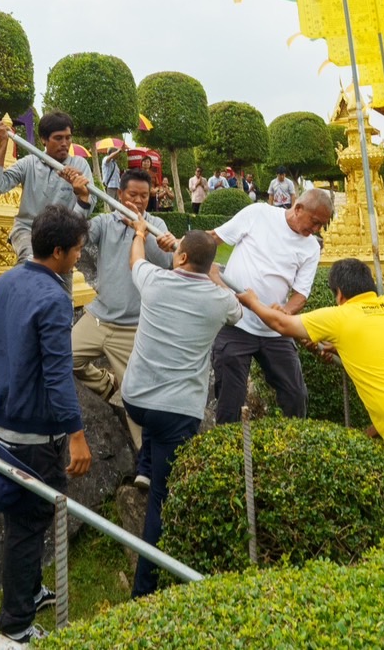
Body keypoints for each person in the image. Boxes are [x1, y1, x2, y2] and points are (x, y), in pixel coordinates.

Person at [237, 257, 384, 528]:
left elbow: (281, 325)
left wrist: (252, 302)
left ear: (339, 294)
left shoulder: (339, 317)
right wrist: (340, 346)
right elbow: (381, 340)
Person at [0, 205, 92, 644]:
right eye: (77, 250)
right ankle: (16, 624)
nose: (79, 257)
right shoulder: (54, 298)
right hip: (34, 433)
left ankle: (29, 588)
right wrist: (76, 435)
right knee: (30, 521)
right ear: (58, 251)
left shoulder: (4, 281)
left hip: (0, 420)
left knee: (23, 515)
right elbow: (59, 374)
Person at [122, 221, 243, 598]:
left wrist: (140, 233)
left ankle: (145, 466)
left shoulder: (154, 282)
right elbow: (237, 312)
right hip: (177, 411)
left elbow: (136, 260)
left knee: (153, 429)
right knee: (161, 498)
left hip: (135, 400)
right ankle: (144, 590)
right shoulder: (220, 301)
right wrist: (215, 276)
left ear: (181, 256)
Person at [72, 169, 177, 481]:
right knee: (63, 358)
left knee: (136, 395)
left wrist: (144, 232)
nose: (139, 201)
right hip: (98, 317)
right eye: (133, 195)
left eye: (144, 196)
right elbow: (75, 237)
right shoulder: (105, 223)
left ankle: (148, 463)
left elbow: (166, 263)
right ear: (120, 195)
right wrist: (82, 201)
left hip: (133, 328)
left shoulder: (157, 226)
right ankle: (106, 384)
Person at [207, 189, 333, 423]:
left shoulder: (311, 248)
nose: (316, 230)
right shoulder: (258, 214)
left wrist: (286, 313)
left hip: (274, 331)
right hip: (237, 323)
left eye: (321, 226)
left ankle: (294, 440)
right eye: (315, 222)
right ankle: (230, 442)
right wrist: (184, 244)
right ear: (298, 208)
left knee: (295, 395)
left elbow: (301, 294)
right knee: (230, 399)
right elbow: (214, 237)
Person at [0, 111, 93, 290]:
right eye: (58, 138)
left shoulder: (80, 166)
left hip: (62, 236)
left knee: (62, 289)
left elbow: (81, 217)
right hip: (28, 230)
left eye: (68, 138)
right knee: (31, 261)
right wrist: (3, 144)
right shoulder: (28, 163)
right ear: (43, 139)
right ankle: (8, 298)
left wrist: (81, 194)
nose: (65, 143)